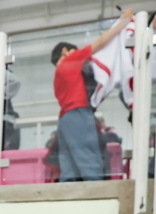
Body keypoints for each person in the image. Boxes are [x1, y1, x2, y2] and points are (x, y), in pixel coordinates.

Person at [51, 8, 133, 182]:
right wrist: (123, 22)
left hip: (64, 121)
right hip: (79, 115)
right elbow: (101, 43)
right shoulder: (71, 59)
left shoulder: (57, 77)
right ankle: (99, 198)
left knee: (69, 171)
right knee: (90, 165)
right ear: (65, 51)